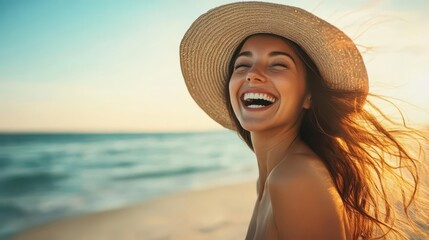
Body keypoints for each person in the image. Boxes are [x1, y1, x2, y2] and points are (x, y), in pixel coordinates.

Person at [180, 2, 428, 239]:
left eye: (278, 65)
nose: (253, 75)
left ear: (308, 96)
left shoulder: (295, 178)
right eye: (242, 64)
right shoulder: (271, 179)